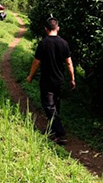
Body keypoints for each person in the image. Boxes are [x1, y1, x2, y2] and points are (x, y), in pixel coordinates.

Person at [26, 17, 75, 145]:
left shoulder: (43, 43)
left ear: (46, 29)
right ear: (57, 28)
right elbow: (69, 63)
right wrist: (72, 79)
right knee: (55, 105)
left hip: (47, 80)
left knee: (49, 106)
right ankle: (52, 129)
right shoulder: (64, 43)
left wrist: (30, 76)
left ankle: (60, 134)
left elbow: (37, 62)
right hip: (59, 80)